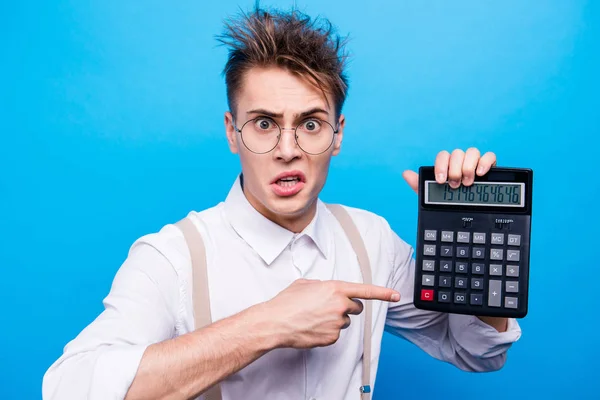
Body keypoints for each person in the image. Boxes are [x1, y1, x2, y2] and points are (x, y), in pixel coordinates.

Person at [42, 6, 522, 400]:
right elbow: (67, 388)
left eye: (311, 123)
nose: (287, 148)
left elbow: (478, 353)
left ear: (338, 135)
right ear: (233, 132)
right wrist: (267, 324)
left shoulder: (371, 240)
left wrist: (474, 230)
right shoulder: (172, 257)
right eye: (265, 123)